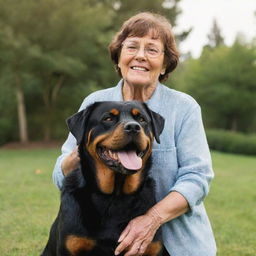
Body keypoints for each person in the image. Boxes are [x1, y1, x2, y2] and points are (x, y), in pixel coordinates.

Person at [52, 12, 216, 256]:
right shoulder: (95, 102)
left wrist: (151, 219)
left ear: (164, 64)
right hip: (96, 229)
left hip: (172, 237)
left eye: (152, 50)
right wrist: (82, 154)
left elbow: (197, 177)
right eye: (132, 47)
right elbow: (60, 174)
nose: (140, 55)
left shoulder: (183, 108)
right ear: (119, 58)